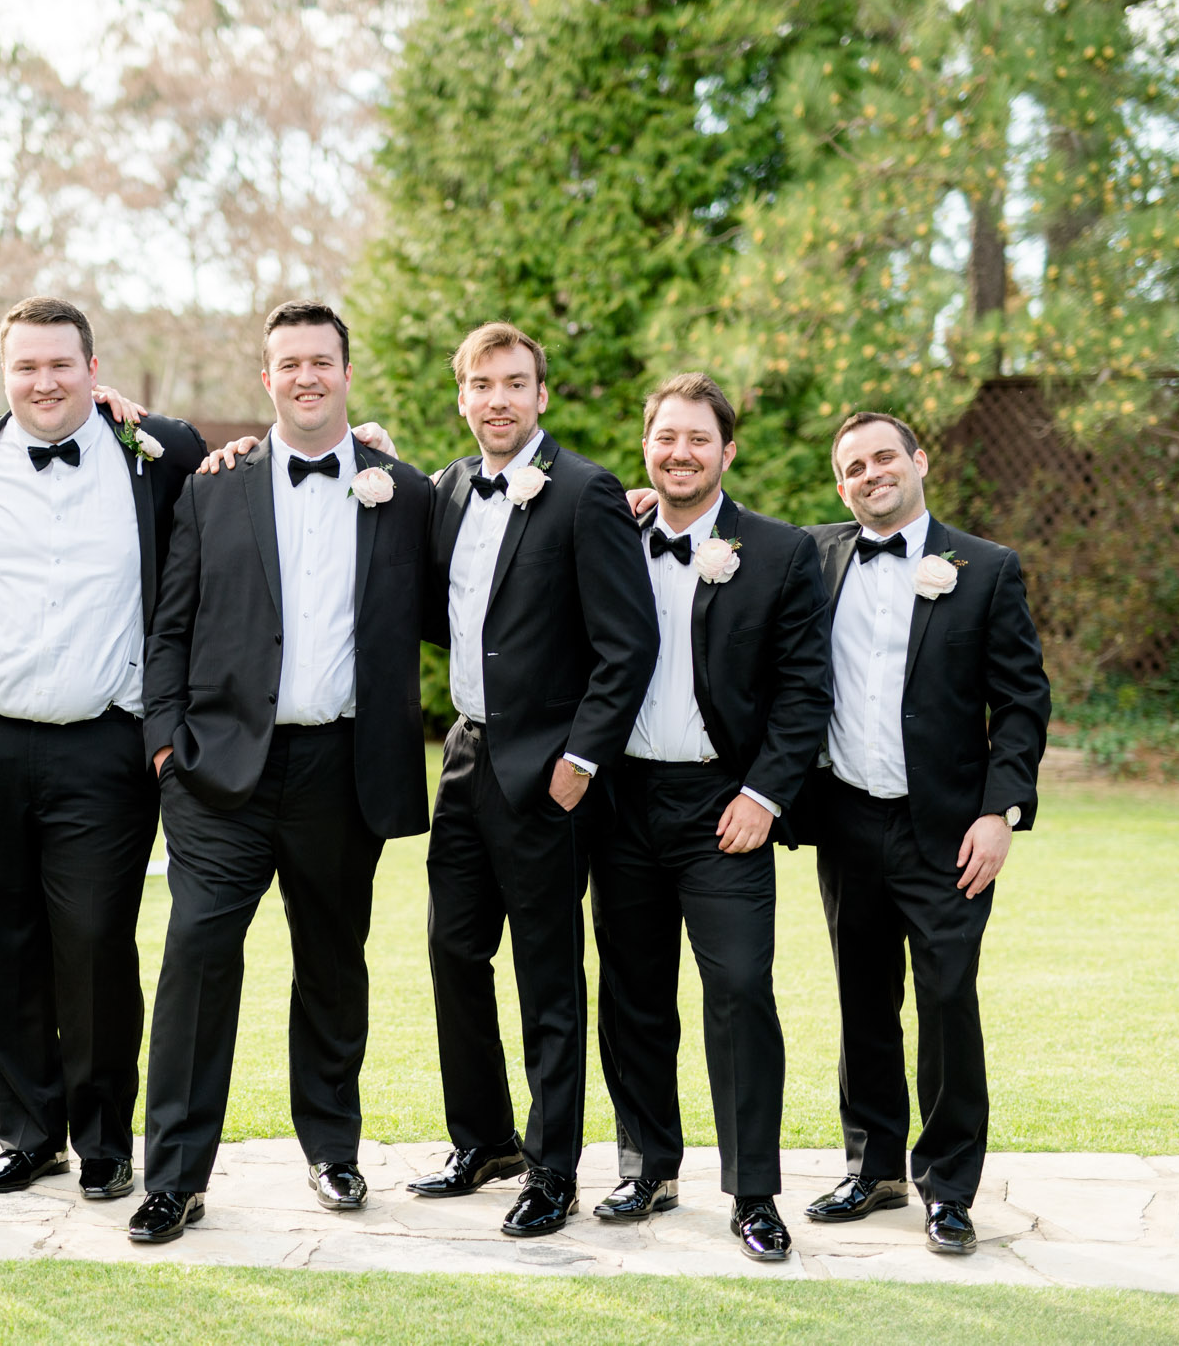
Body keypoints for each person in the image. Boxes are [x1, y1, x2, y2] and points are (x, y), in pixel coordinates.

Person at [129, 300, 435, 1243]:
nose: (306, 377)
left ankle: (332, 1150)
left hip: (343, 769)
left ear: (348, 372)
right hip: (219, 774)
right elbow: (170, 623)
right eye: (288, 363)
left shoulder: (407, 492)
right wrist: (165, 743)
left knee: (333, 965)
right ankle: (174, 1176)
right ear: (266, 379)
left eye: (322, 362)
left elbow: (485, 579)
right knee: (196, 962)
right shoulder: (215, 486)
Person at [0, 297, 204, 1201]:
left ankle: (104, 1139)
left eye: (61, 364)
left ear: (93, 368)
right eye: (26, 366)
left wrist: (364, 437)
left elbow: (261, 470)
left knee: (98, 942)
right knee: (2, 944)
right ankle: (28, 1134)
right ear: (4, 373)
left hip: (106, 745)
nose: (44, 382)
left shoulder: (162, 455)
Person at [407, 321, 656, 1238]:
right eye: (482, 384)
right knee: (451, 948)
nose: (499, 399)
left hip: (550, 769)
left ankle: (554, 1168)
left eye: (515, 383)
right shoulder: (446, 491)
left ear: (541, 395)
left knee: (549, 973)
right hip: (465, 753)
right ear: (464, 396)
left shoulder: (587, 493)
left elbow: (628, 648)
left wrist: (579, 761)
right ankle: (484, 1138)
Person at [586, 372, 832, 1262]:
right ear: (645, 443)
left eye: (698, 438)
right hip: (622, 803)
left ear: (727, 452)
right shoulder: (607, 530)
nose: (679, 452)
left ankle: (754, 1192)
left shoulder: (778, 551)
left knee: (737, 991)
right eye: (665, 436)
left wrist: (762, 795)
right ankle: (646, 1166)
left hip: (725, 806)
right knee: (634, 994)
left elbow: (806, 690)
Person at [793, 411, 1051, 1255]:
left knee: (946, 1000)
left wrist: (999, 810)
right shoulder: (814, 555)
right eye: (853, 467)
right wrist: (641, 505)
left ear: (918, 461)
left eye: (883, 458)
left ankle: (948, 1185)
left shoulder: (986, 568)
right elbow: (729, 541)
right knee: (863, 998)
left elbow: (1020, 702)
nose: (871, 474)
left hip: (946, 829)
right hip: (844, 817)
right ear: (841, 485)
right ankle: (873, 1169)